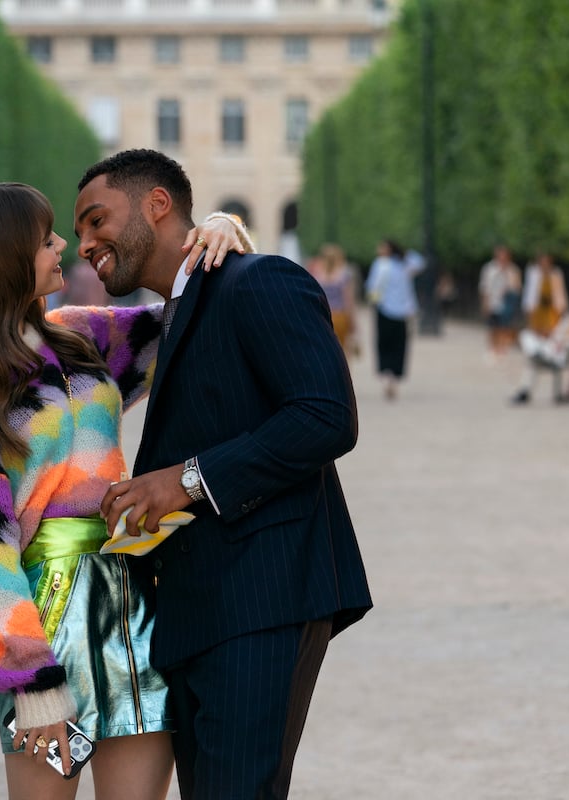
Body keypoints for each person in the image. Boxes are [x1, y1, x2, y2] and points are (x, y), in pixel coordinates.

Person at [0, 182, 249, 800]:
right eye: (44, 239)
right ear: (1, 258)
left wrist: (221, 230)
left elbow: (195, 317)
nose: (63, 244)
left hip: (131, 604)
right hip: (42, 617)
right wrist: (30, 681)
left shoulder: (79, 337)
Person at [75, 149, 372, 800]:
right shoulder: (166, 317)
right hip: (201, 610)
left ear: (157, 205)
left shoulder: (259, 280)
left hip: (263, 596)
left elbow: (326, 417)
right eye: (76, 234)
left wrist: (181, 480)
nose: (85, 242)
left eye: (96, 220)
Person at [509, 284, 569, 405]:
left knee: (533, 359)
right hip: (553, 347)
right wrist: (551, 337)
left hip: (567, 352)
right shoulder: (568, 316)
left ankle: (535, 357)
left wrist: (564, 343)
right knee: (526, 336)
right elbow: (557, 332)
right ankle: (525, 390)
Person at [365, 240, 425, 400]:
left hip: (384, 309)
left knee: (384, 344)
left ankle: (386, 376)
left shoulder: (380, 264)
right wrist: (404, 253)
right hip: (402, 311)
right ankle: (394, 379)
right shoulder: (405, 264)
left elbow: (372, 287)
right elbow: (420, 262)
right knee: (399, 345)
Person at [306, 243, 358, 358]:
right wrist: (353, 321)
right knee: (342, 352)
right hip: (340, 316)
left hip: (321, 317)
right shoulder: (343, 276)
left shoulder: (317, 275)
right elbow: (348, 301)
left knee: (324, 352)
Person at [479, 245, 523, 359]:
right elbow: (485, 287)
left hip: (507, 303)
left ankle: (502, 348)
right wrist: (485, 303)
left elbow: (517, 287)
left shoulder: (513, 270)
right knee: (493, 326)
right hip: (493, 301)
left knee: (504, 326)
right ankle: (492, 348)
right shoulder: (489, 268)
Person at [521, 252, 567, 338]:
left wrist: (562, 305)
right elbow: (529, 291)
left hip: (551, 307)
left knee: (552, 329)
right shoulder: (533, 274)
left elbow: (560, 291)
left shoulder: (556, 273)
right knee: (535, 330)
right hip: (537, 307)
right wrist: (527, 306)